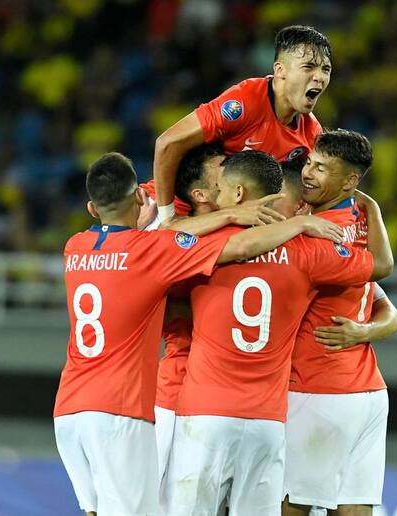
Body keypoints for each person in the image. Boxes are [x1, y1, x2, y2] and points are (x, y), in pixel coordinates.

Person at [53, 152, 343, 516]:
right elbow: (237, 246)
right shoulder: (150, 252)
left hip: (69, 410)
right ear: (140, 198)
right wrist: (296, 226)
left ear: (92, 209)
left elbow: (161, 239)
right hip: (120, 409)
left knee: (97, 510)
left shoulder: (75, 247)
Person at [162, 150, 393, 516]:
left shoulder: (210, 248)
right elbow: (379, 269)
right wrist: (365, 213)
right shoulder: (307, 249)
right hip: (267, 418)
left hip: (206, 411)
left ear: (238, 195)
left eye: (220, 188)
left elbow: (162, 237)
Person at [154, 144, 343, 485]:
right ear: (203, 192)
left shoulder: (198, 244)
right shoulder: (299, 245)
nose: (227, 171)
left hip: (209, 405)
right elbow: (376, 267)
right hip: (195, 400)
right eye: (221, 168)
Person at [284, 130, 397, 516]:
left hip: (319, 390)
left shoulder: (320, 239)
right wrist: (367, 331)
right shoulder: (361, 221)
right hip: (367, 394)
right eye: (310, 163)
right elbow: (388, 309)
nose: (308, 174)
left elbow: (382, 272)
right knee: (353, 507)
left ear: (350, 180)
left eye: (322, 168)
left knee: (291, 506)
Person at [153, 25, 332, 222]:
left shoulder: (310, 131)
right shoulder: (245, 103)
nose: (319, 77)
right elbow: (167, 143)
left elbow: (319, 185)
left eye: (326, 69)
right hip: (176, 208)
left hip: (229, 220)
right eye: (308, 67)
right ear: (280, 70)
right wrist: (166, 216)